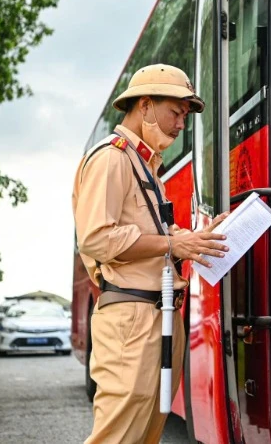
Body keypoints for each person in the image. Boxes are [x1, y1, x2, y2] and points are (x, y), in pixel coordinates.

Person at [72, 64, 229, 444]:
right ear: (144, 106)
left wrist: (194, 238)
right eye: (175, 112)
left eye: (184, 116)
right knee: (119, 435)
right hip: (132, 318)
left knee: (145, 434)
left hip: (155, 316)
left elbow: (155, 234)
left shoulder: (144, 164)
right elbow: (96, 238)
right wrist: (175, 244)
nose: (180, 125)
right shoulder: (112, 157)